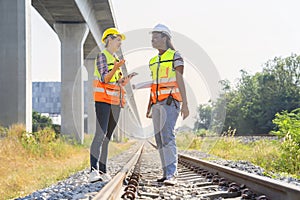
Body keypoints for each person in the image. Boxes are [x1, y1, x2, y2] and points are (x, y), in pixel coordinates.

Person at [146, 24, 189, 186]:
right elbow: (154, 85)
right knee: (159, 138)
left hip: (170, 102)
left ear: (165, 38)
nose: (153, 39)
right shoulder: (153, 61)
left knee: (167, 135)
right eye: (152, 37)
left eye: (156, 36)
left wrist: (185, 104)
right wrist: (149, 106)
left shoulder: (175, 56)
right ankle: (166, 173)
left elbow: (179, 80)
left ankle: (171, 173)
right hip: (156, 103)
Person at [89, 27, 132, 183]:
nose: (120, 42)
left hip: (115, 103)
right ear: (109, 40)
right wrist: (115, 68)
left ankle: (103, 169)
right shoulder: (102, 57)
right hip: (103, 101)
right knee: (100, 135)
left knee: (107, 137)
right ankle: (93, 171)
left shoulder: (115, 59)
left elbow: (114, 82)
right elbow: (105, 79)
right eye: (118, 39)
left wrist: (123, 81)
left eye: (121, 40)